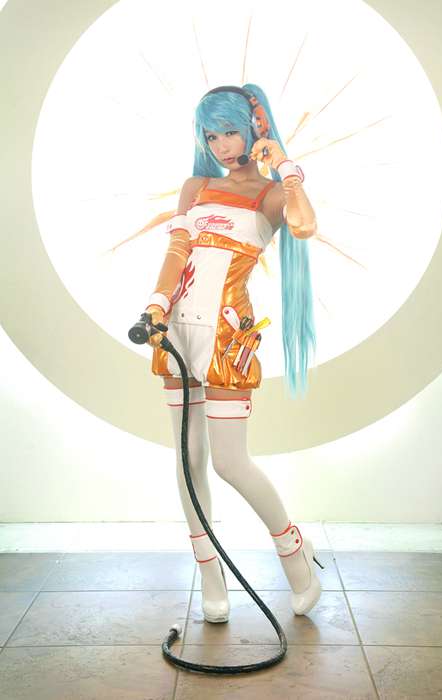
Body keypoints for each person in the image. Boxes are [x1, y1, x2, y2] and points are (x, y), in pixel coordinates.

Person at [144, 84, 322, 623]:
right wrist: (155, 305)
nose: (221, 145)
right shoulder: (195, 187)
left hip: (227, 337)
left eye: (229, 131)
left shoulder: (271, 194)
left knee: (228, 461)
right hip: (177, 331)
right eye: (211, 134)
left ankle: (295, 554)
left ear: (253, 128)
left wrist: (285, 164)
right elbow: (177, 251)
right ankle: (209, 572)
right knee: (188, 457)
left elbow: (304, 225)